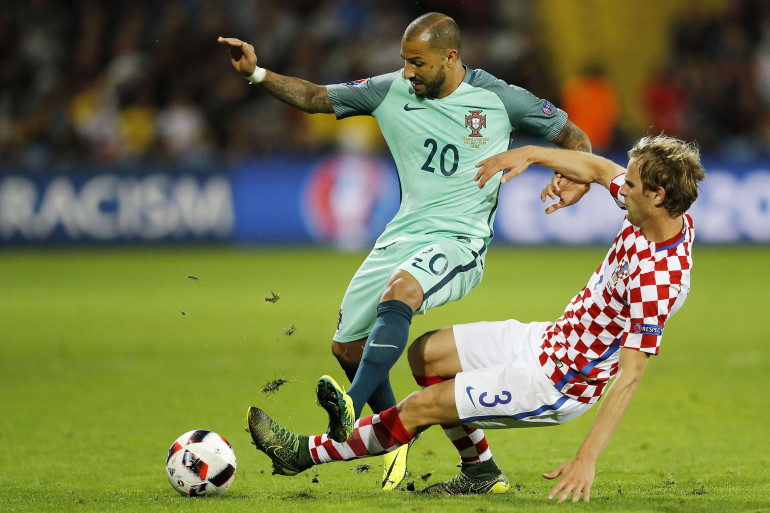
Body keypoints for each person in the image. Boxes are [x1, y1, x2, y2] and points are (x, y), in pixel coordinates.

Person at [219, 12, 591, 490]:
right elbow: (316, 99)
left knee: (402, 292)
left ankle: (350, 407)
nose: (408, 72)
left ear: (450, 57)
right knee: (347, 345)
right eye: (404, 61)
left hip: (460, 240)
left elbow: (572, 136)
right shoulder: (390, 89)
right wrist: (256, 72)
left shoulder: (499, 98)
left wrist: (576, 178)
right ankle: (468, 464)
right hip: (403, 234)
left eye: (418, 63)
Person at [245, 135, 706, 502]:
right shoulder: (651, 211)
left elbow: (628, 377)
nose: (620, 188)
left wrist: (586, 458)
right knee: (426, 354)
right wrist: (530, 154)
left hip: (558, 381)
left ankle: (302, 454)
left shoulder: (659, 277)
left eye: (631, 186)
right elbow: (601, 168)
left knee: (421, 407)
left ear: (659, 195)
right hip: (547, 339)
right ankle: (480, 472)